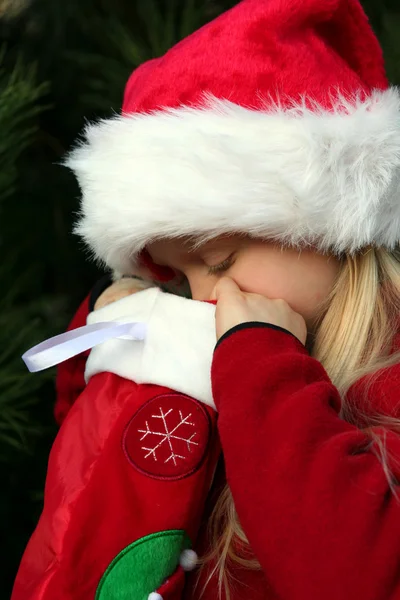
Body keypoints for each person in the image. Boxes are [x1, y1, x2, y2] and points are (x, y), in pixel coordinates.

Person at [12, 0, 400, 598]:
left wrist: (263, 372)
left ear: (330, 225)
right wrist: (118, 336)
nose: (205, 299)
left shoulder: (384, 380)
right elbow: (109, 471)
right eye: (176, 277)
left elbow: (356, 575)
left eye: (220, 260)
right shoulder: (215, 345)